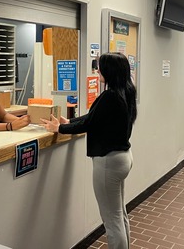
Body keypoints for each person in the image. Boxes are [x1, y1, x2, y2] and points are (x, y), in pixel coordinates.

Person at [40, 52, 137, 249]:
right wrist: (69, 121)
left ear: (110, 70)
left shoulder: (110, 96)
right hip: (123, 158)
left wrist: (59, 128)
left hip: (108, 162)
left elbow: (90, 123)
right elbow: (93, 117)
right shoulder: (125, 91)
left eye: (100, 67)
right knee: (119, 214)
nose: (97, 70)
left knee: (112, 219)